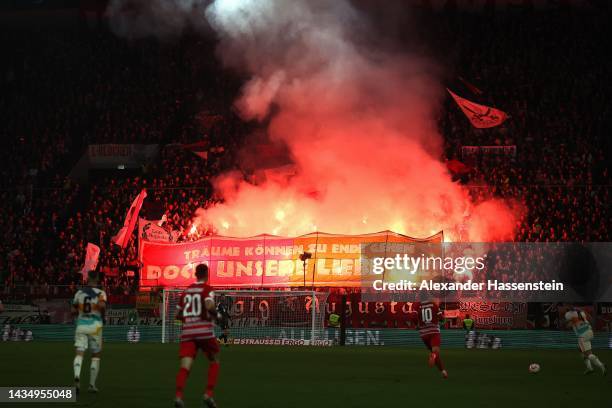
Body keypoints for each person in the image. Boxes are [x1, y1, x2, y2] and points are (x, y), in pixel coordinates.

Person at [174, 264, 220, 408]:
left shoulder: (186, 291)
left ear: (195, 274)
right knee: (214, 360)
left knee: (185, 366)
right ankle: (208, 394)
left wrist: (188, 320)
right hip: (204, 331)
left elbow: (177, 315)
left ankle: (178, 397)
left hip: (188, 332)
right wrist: (218, 316)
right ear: (206, 274)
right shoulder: (207, 289)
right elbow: (209, 306)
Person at [72, 271, 107, 394]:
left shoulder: (79, 293)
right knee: (95, 356)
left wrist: (79, 315)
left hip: (81, 325)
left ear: (87, 279)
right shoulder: (100, 293)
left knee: (79, 353)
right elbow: (102, 306)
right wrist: (103, 317)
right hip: (95, 326)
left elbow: (73, 310)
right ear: (97, 278)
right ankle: (92, 385)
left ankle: (77, 376)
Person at [564, 306, 606, 375]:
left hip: (582, 335)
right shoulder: (582, 312)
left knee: (588, 354)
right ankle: (589, 368)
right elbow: (591, 319)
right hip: (589, 332)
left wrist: (567, 321)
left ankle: (601, 365)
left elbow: (568, 326)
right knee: (581, 349)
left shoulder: (570, 315)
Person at [415, 300, 448, 379]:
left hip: (423, 334)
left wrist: (416, 325)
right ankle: (433, 356)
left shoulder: (417, 305)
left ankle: (443, 371)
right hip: (434, 331)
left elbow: (413, 317)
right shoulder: (433, 304)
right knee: (435, 352)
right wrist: (443, 319)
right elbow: (441, 318)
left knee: (434, 353)